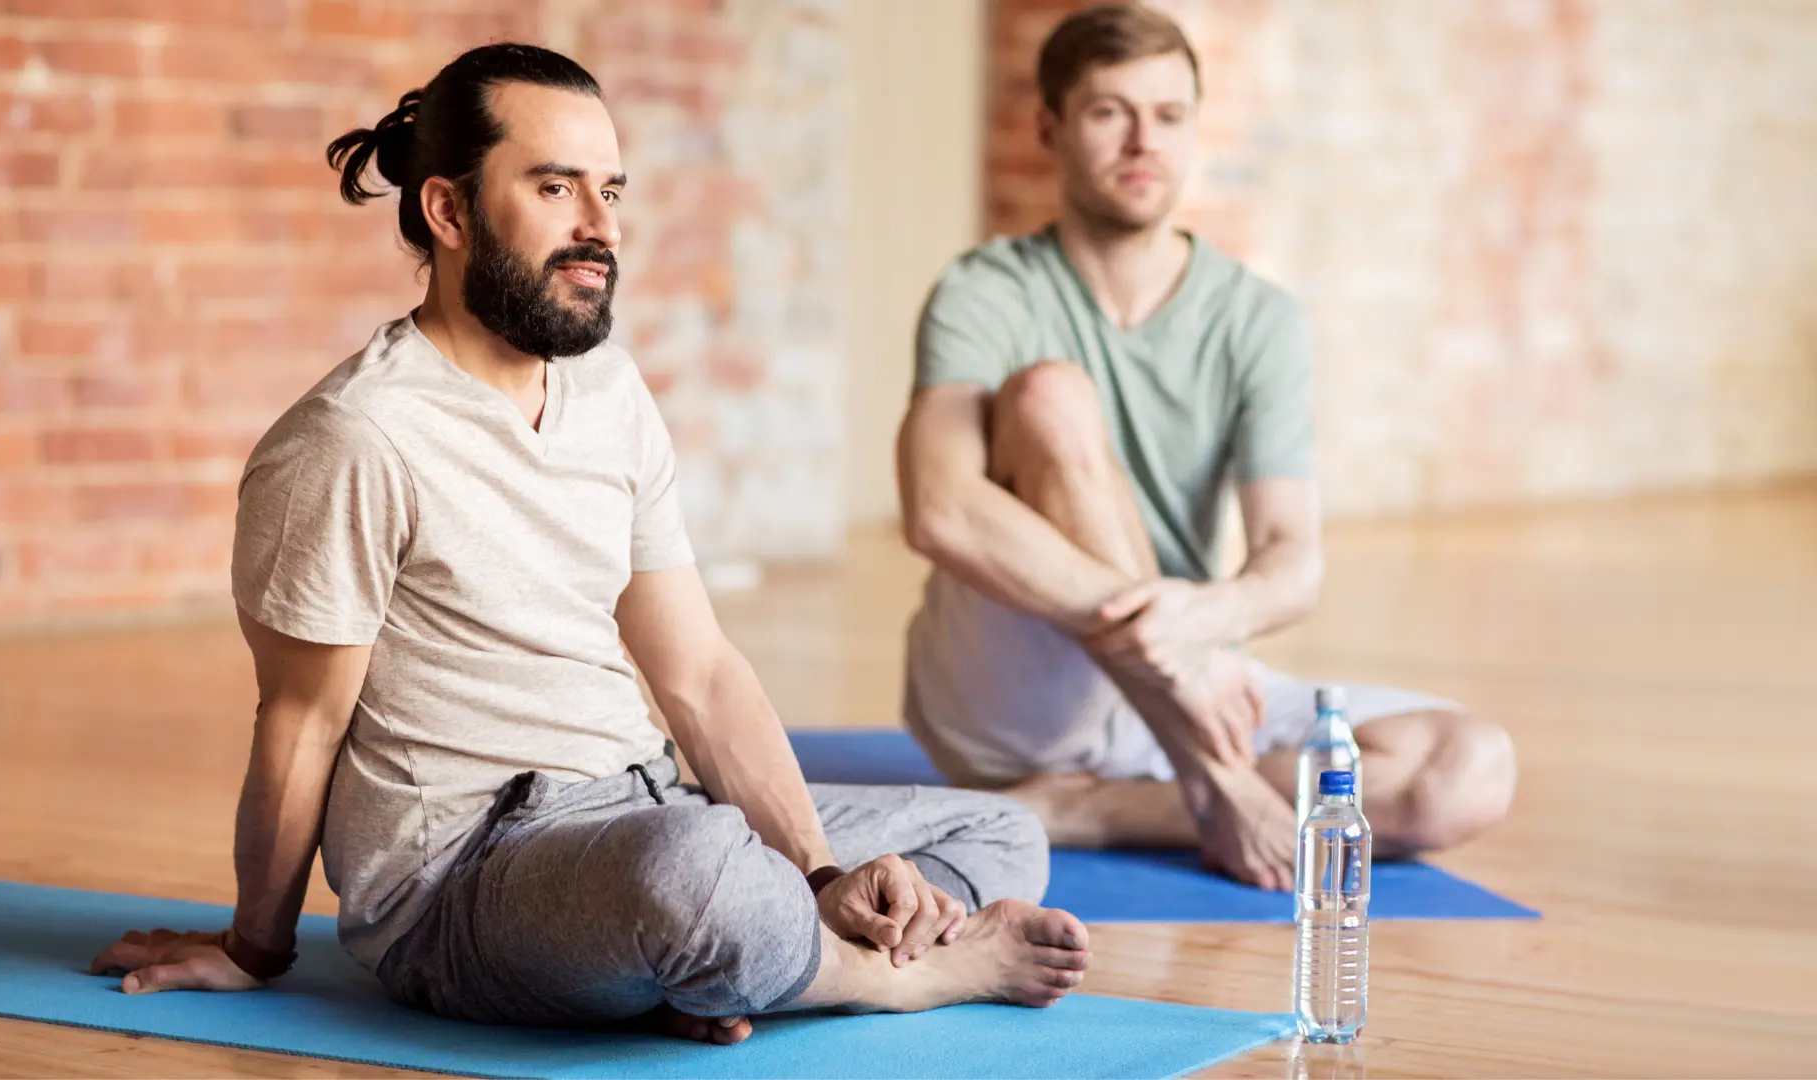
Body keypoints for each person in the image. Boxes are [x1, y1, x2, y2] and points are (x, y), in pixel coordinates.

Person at [87, 43, 1088, 1046]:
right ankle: (911, 976)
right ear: (448, 211)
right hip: (468, 882)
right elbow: (301, 723)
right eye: (556, 186)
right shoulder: (354, 438)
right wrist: (254, 947)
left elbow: (695, 668)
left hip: (645, 807)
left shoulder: (607, 388)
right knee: (693, 877)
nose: (600, 227)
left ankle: (739, 961)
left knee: (997, 832)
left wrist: (820, 874)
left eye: (610, 189)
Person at [895, 4, 1517, 892]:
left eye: (1170, 115)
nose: (1143, 141)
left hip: (1183, 671)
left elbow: (1290, 563)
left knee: (1469, 769)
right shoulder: (985, 288)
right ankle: (1213, 779)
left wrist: (1203, 625)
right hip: (1020, 678)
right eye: (1111, 112)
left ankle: (1084, 810)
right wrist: (1187, 671)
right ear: (1050, 128)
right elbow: (939, 508)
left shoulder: (1256, 316)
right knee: (1049, 396)